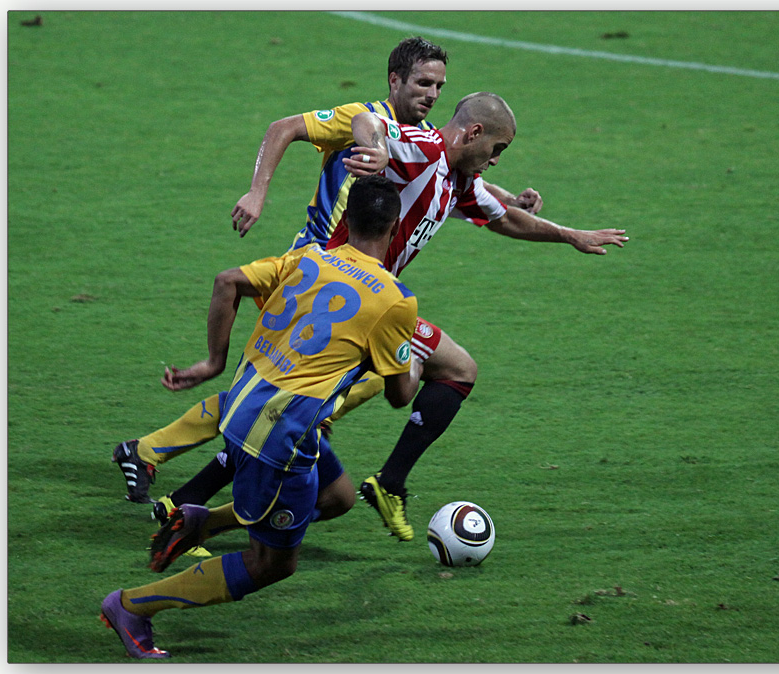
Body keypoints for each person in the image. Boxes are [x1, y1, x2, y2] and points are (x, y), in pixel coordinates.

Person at [111, 37, 540, 522]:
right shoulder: (368, 117)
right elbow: (288, 127)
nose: (432, 93)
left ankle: (154, 459)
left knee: (295, 394)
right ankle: (176, 489)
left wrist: (519, 203)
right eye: (423, 82)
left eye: (440, 85)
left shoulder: (423, 140)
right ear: (395, 79)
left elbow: (453, 172)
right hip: (316, 270)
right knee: (286, 398)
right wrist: (257, 192)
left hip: (360, 285)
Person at [100, 175, 420, 659]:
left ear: (347, 219)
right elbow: (400, 396)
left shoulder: (308, 257)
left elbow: (228, 280)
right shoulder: (396, 301)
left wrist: (213, 363)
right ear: (395, 227)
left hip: (239, 408)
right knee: (271, 563)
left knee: (337, 497)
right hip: (275, 439)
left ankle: (203, 521)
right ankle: (131, 607)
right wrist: (413, 360)